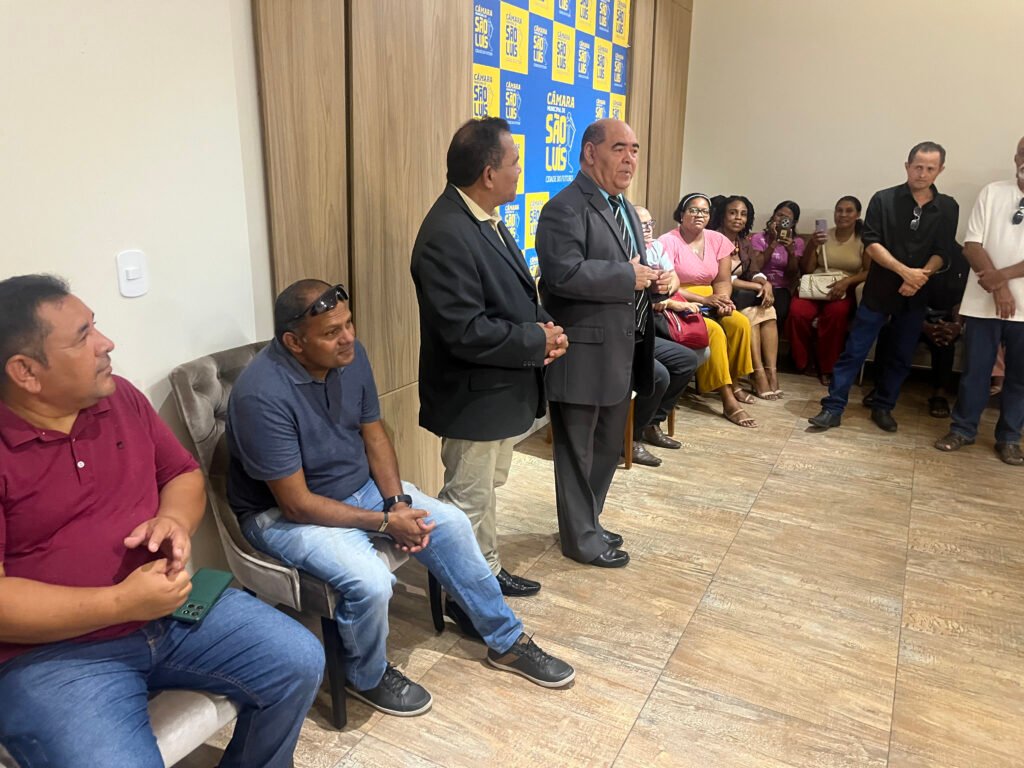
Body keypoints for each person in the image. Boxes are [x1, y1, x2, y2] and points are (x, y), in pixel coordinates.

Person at [0, 275, 324, 768]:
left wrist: (173, 520)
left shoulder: (119, 399)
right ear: (25, 371)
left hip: (168, 613)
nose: (106, 343)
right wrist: (120, 602)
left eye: (95, 326)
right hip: (53, 656)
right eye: (83, 337)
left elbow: (182, 474)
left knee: (298, 659)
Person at [227, 280, 574, 719]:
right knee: (371, 582)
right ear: (295, 343)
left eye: (348, 323)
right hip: (284, 515)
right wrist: (384, 524)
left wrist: (397, 504)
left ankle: (505, 640)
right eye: (332, 332)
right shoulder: (261, 394)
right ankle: (365, 676)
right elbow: (296, 503)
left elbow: (374, 435)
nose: (348, 337)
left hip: (356, 489)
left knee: (452, 524)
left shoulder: (350, 356)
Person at [411, 117, 567, 598]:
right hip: (471, 399)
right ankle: (461, 596)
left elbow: (514, 297)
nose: (520, 170)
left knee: (482, 494)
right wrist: (534, 341)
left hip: (498, 392)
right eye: (515, 162)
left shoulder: (483, 220)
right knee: (466, 500)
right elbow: (464, 330)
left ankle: (487, 570)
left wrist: (546, 329)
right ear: (488, 172)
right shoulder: (446, 233)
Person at [535, 118, 666, 567]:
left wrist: (655, 283)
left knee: (608, 448)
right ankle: (580, 540)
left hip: (622, 349)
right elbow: (562, 274)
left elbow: (635, 270)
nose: (629, 159)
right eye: (618, 148)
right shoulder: (564, 208)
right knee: (577, 451)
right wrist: (627, 276)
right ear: (590, 153)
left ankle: (587, 521)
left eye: (634, 149)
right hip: (583, 352)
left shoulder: (624, 206)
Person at [809, 141, 959, 431]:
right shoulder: (884, 199)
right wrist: (905, 272)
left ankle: (883, 406)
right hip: (879, 289)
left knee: (901, 355)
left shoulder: (947, 206)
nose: (922, 173)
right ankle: (833, 407)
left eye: (930, 168)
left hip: (916, 293)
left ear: (940, 170)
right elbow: (872, 242)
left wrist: (919, 277)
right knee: (855, 349)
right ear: (907, 166)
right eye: (917, 167)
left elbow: (943, 251)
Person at [935, 135, 1024, 465]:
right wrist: (999, 288)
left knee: (1020, 377)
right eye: (1022, 153)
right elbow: (972, 245)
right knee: (975, 371)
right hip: (983, 303)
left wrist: (1001, 278)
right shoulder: (993, 192)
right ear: (1015, 158)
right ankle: (962, 429)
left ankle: (1010, 438)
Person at [658, 193, 757, 428]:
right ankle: (727, 396)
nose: (699, 215)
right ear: (681, 214)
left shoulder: (717, 240)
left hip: (712, 298)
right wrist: (704, 299)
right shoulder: (667, 241)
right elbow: (668, 285)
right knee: (714, 333)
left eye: (704, 211)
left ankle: (735, 381)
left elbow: (723, 279)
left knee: (740, 323)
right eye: (693, 210)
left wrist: (723, 301)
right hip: (680, 300)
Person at [630, 206, 703, 467]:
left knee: (687, 360)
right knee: (658, 374)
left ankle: (652, 423)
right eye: (642, 225)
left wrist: (667, 285)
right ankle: (630, 437)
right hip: (624, 331)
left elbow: (672, 280)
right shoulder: (625, 252)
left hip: (645, 328)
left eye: (650, 224)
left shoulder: (656, 247)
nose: (648, 229)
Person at [788, 196, 869, 386]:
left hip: (844, 288)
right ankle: (804, 361)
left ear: (857, 214)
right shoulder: (824, 235)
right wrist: (813, 244)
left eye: (848, 211)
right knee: (797, 312)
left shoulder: (863, 239)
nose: (843, 215)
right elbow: (807, 269)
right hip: (816, 286)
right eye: (839, 210)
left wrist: (847, 281)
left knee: (836, 314)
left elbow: (869, 271)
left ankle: (827, 367)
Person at [709, 194, 781, 399]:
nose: (738, 218)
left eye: (743, 214)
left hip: (741, 295)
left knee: (768, 311)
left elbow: (754, 271)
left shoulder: (744, 242)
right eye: (732, 213)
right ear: (723, 215)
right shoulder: (713, 238)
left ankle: (771, 372)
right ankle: (757, 373)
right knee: (751, 315)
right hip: (719, 294)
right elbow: (720, 277)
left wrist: (765, 283)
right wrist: (754, 285)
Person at [750, 200, 805, 328]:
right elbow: (757, 266)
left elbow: (792, 274)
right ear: (773, 216)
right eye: (779, 215)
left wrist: (791, 252)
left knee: (779, 311)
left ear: (793, 223)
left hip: (781, 288)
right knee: (754, 310)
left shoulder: (798, 242)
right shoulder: (759, 238)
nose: (781, 220)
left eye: (787, 218)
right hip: (759, 284)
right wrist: (773, 243)